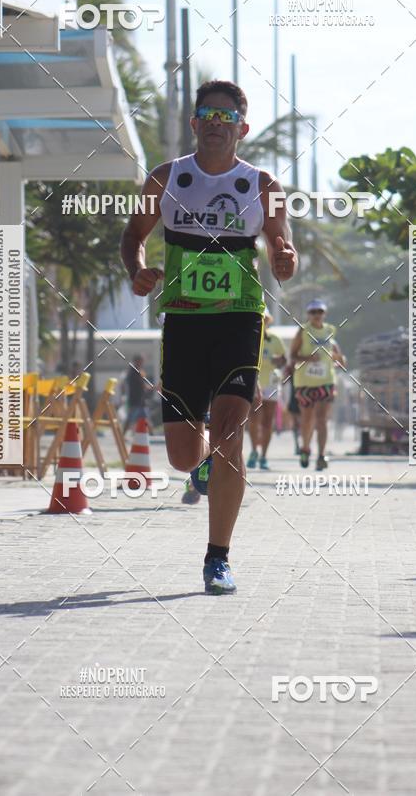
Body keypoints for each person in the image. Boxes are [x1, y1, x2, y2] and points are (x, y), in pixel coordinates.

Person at [120, 79, 297, 594]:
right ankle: (199, 467)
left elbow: (281, 245)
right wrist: (138, 269)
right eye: (207, 115)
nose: (216, 124)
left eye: (227, 117)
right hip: (183, 322)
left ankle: (217, 558)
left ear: (242, 128)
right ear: (195, 124)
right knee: (181, 455)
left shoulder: (262, 185)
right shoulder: (166, 178)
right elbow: (134, 235)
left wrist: (284, 259)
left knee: (227, 436)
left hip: (241, 318)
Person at [289, 299, 346, 470]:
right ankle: (305, 448)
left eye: (319, 312)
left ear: (324, 314)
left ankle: (322, 455)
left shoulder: (330, 331)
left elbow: (339, 357)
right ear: (308, 314)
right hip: (305, 382)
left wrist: (339, 359)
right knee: (307, 419)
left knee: (322, 420)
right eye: (313, 312)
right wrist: (308, 358)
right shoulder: (303, 331)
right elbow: (292, 355)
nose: (316, 315)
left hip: (326, 381)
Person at [247, 312, 286, 470]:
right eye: (258, 318)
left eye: (264, 319)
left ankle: (263, 455)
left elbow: (284, 360)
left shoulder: (275, 339)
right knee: (254, 420)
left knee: (267, 422)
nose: (261, 321)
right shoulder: (249, 336)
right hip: (253, 383)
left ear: (268, 321)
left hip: (271, 383)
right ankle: (254, 451)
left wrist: (279, 360)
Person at [123, 354, 154, 434]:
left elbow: (143, 385)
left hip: (140, 400)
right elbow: (143, 385)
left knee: (145, 418)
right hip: (135, 400)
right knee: (130, 419)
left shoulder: (136, 371)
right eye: (141, 361)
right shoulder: (134, 372)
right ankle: (122, 435)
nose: (142, 363)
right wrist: (154, 387)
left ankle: (152, 434)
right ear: (136, 361)